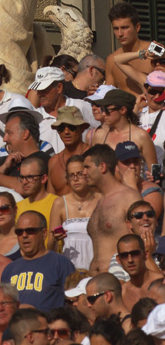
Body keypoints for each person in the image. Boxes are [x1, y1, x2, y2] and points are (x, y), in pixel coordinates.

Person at [0, 212, 74, 311]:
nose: (24, 235)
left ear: (44, 233)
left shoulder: (61, 263)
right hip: (17, 325)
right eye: (19, 232)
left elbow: (73, 302)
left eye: (30, 231)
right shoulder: (10, 269)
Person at [83, 145, 140, 275]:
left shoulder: (129, 196)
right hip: (96, 280)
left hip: (120, 279)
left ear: (102, 167)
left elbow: (142, 241)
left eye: (87, 167)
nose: (84, 172)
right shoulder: (98, 202)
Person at [48, 156, 99, 270]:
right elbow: (49, 245)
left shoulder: (101, 200)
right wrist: (55, 238)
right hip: (70, 268)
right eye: (71, 175)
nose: (75, 179)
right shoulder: (60, 203)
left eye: (79, 173)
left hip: (97, 266)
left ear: (87, 173)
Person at [106, 4, 152, 95]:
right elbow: (108, 95)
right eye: (116, 28)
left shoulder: (152, 53)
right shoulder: (111, 60)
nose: (120, 34)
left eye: (124, 28)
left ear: (137, 27)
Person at [46, 110, 91, 197]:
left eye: (71, 127)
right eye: (61, 128)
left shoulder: (93, 156)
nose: (66, 132)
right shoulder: (53, 162)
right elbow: (50, 199)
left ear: (82, 128)